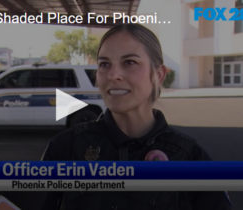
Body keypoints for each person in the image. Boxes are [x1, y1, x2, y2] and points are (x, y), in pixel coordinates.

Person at [40, 23, 232, 210]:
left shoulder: (190, 158)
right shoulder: (67, 148)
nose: (113, 75)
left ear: (158, 75)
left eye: (129, 62)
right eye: (104, 64)